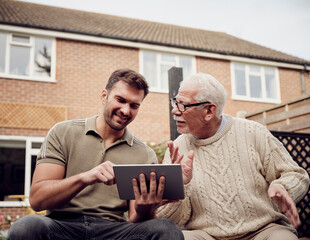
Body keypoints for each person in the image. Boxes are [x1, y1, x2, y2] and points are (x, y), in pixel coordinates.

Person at [8, 68, 184, 240]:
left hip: (113, 230)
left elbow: (134, 219)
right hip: (61, 226)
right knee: (26, 226)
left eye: (133, 105)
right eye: (120, 100)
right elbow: (38, 201)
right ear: (104, 96)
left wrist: (146, 209)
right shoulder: (63, 132)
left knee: (166, 230)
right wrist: (86, 177)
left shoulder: (145, 154)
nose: (125, 110)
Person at [155, 73, 310, 240]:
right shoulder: (177, 148)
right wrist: (181, 186)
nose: (174, 110)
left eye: (183, 105)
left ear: (209, 110)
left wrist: (282, 187)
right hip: (206, 235)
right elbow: (169, 220)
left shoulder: (253, 132)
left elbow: (296, 174)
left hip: (264, 230)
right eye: (175, 102)